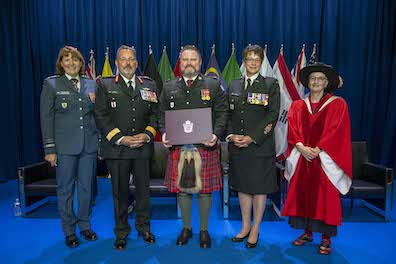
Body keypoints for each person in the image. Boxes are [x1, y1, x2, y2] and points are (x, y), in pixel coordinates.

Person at [159, 45, 228, 248]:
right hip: (179, 148)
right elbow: (160, 113)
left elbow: (223, 113)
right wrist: (164, 132)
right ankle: (187, 228)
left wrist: (216, 135)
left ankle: (204, 230)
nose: (189, 63)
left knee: (205, 191)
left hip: (205, 147)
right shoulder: (169, 86)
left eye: (193, 60)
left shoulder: (213, 85)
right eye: (185, 60)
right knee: (182, 190)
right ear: (180, 63)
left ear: (200, 62)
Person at [281, 63, 352, 255]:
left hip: (325, 160)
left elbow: (337, 131)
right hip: (303, 158)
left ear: (327, 83)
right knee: (304, 195)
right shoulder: (297, 105)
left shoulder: (338, 104)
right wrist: (302, 148)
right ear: (307, 82)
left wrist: (318, 149)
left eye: (321, 79)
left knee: (325, 198)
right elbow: (293, 129)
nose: (316, 82)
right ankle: (307, 232)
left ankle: (326, 238)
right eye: (313, 78)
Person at [94, 45, 159, 250]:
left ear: (137, 63)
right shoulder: (105, 85)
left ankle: (144, 228)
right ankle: (121, 232)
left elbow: (156, 114)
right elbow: (101, 116)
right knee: (120, 193)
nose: (128, 63)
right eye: (123, 59)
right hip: (118, 149)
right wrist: (121, 138)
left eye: (131, 59)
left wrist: (147, 134)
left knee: (143, 192)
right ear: (116, 63)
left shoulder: (148, 85)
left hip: (141, 147)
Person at [40, 46, 99, 248]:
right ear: (61, 63)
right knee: (65, 190)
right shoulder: (52, 84)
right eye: (67, 60)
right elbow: (46, 119)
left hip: (88, 146)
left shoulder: (92, 84)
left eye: (75, 60)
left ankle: (84, 224)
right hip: (64, 147)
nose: (71, 63)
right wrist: (50, 149)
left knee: (86, 189)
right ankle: (69, 229)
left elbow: (96, 116)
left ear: (81, 63)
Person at [226, 44, 280, 248]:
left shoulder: (270, 84)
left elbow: (273, 115)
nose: (253, 62)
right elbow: (228, 115)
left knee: (259, 189)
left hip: (260, 147)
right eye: (249, 59)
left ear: (261, 62)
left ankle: (256, 228)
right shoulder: (234, 85)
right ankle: (245, 225)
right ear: (244, 61)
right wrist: (231, 135)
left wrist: (251, 138)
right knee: (242, 187)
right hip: (238, 147)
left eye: (257, 59)